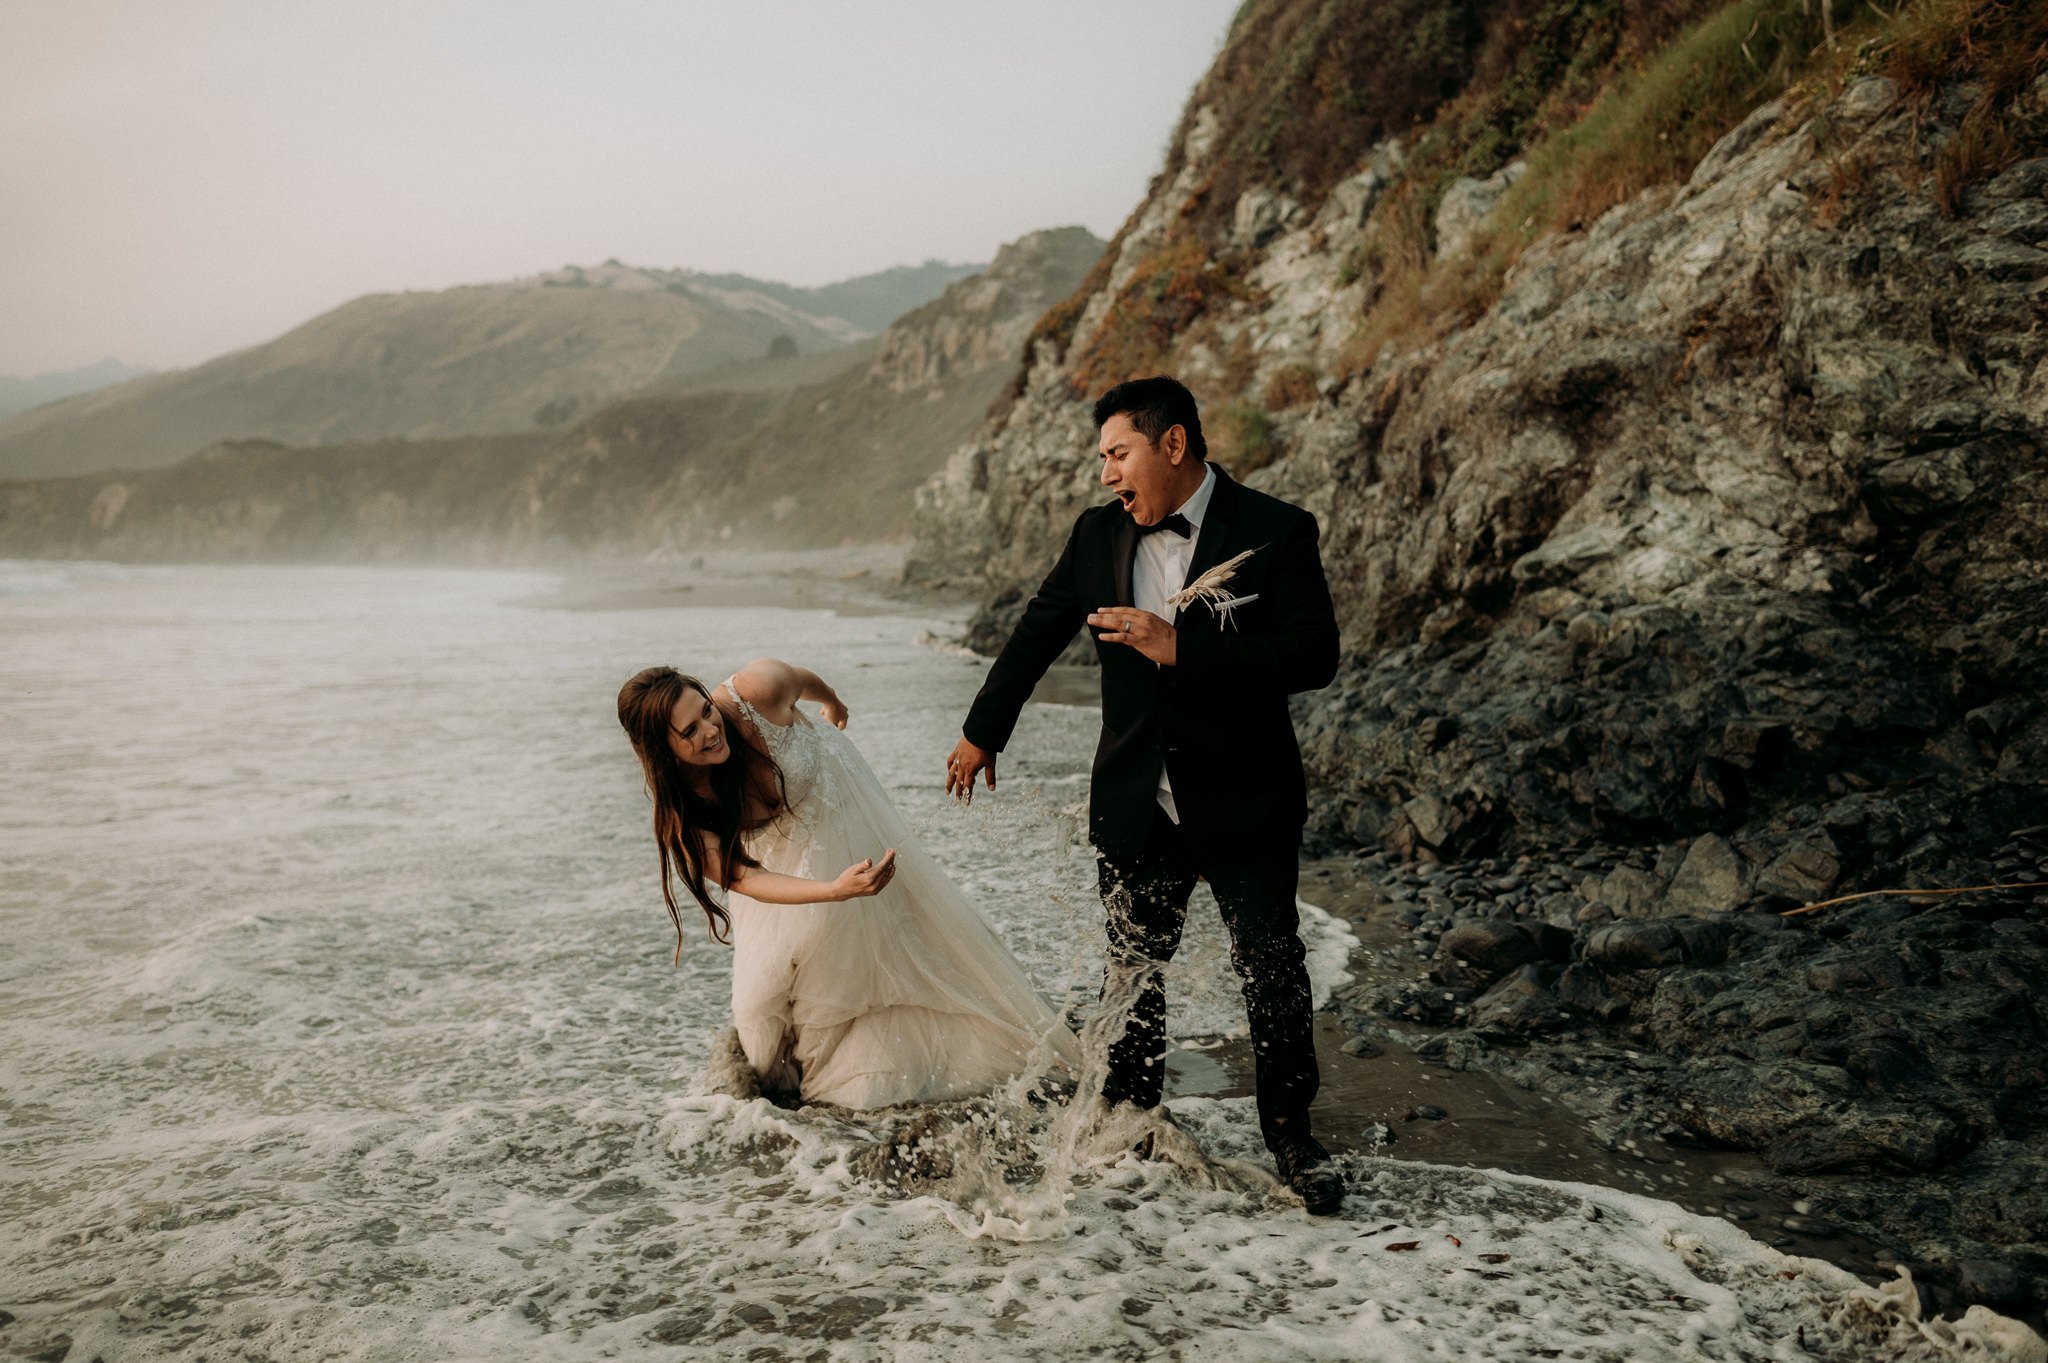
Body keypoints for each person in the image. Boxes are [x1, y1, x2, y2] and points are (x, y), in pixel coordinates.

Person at [944, 376, 1344, 1214]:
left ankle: (1294, 1138)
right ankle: (1129, 1127)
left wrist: (1180, 649)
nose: (1105, 475)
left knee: (1271, 973)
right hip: (1138, 800)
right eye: (1101, 458)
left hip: (1246, 797)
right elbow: (1036, 630)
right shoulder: (1096, 536)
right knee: (1131, 976)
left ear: (1173, 444)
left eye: (1116, 453)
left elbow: (1313, 656)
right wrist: (985, 730)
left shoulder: (1277, 530)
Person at [618, 658, 1080, 1108]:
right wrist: (832, 890)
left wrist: (834, 704)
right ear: (663, 751)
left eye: (705, 711)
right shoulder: (684, 812)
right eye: (689, 732)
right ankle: (783, 1110)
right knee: (759, 1011)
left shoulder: (756, 689)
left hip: (844, 812)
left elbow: (801, 680)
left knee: (867, 963)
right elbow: (744, 876)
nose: (709, 730)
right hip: (784, 868)